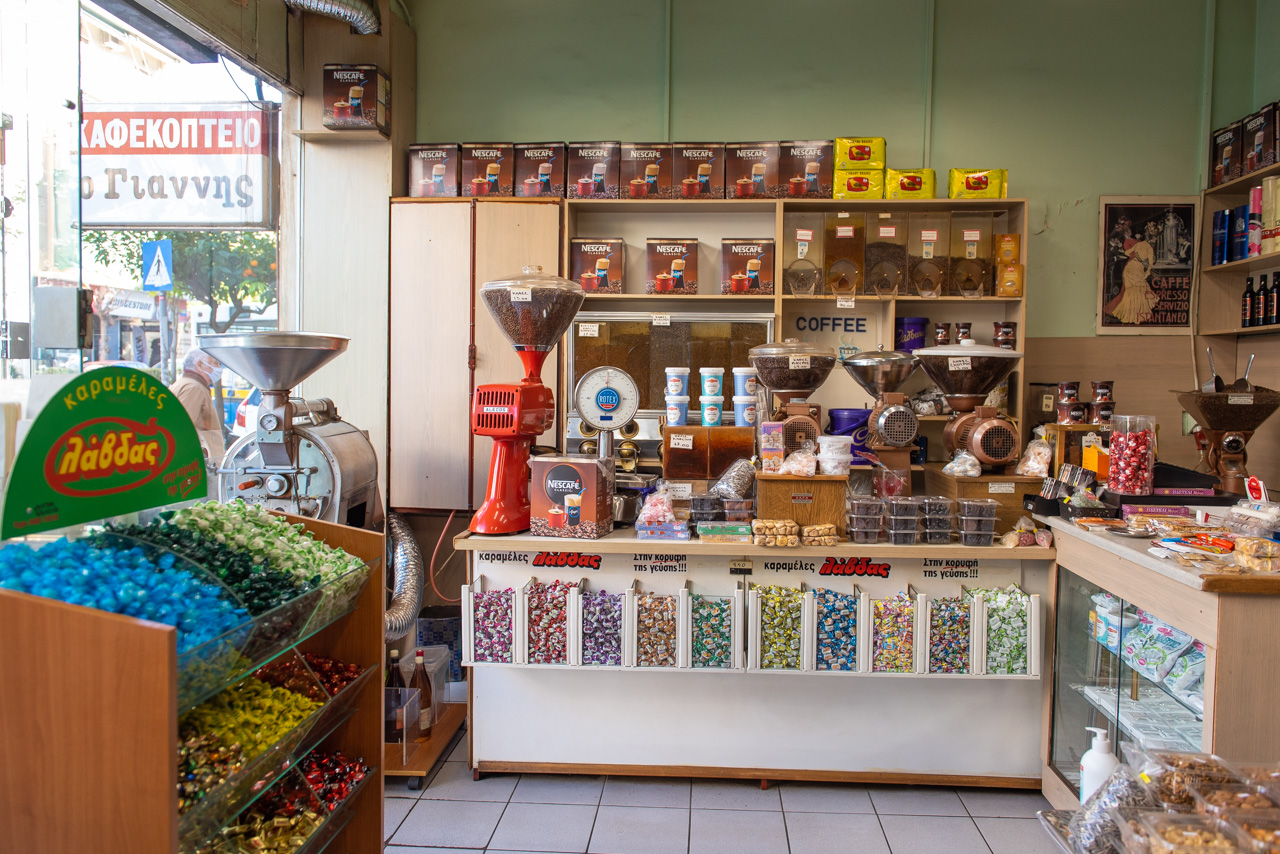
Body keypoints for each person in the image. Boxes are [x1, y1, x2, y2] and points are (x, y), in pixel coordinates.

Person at [171, 348, 227, 460]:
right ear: (200, 365)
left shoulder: (186, 384)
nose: (219, 368)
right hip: (198, 463)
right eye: (215, 363)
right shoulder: (194, 388)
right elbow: (182, 429)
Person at [1103, 233, 1159, 325]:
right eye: (1155, 238)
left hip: (1130, 267)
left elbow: (1126, 253)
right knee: (1139, 290)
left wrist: (1135, 255)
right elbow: (1151, 263)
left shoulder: (1138, 244)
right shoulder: (1149, 248)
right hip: (1137, 269)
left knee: (1130, 290)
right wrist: (1147, 272)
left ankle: (1130, 313)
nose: (1155, 240)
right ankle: (1135, 314)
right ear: (1152, 238)